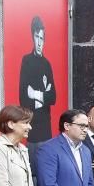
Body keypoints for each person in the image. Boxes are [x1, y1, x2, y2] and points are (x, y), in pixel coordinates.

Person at [19, 16, 57, 147]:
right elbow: (23, 97)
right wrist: (44, 94)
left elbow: (52, 97)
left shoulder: (47, 64)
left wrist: (35, 94)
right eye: (37, 37)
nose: (39, 42)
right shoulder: (27, 60)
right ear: (32, 37)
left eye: (42, 38)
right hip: (32, 129)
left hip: (46, 128)